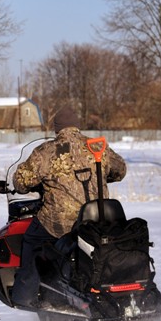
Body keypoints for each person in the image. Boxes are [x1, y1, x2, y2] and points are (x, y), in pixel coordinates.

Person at [9, 106, 127, 308]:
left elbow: (21, 181)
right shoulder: (96, 146)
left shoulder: (47, 151)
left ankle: (24, 295)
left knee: (31, 240)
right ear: (77, 126)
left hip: (60, 225)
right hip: (97, 222)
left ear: (57, 128)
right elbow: (120, 170)